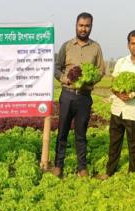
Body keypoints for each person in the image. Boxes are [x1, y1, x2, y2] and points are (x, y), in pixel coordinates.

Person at [97, 30, 135, 180]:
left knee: (134, 145)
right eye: (133, 43)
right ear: (128, 45)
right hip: (117, 109)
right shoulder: (121, 62)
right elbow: (114, 85)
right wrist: (120, 94)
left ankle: (134, 175)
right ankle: (109, 172)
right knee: (114, 143)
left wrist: (134, 94)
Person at [52, 12, 105, 178]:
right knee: (62, 132)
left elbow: (101, 70)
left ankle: (82, 168)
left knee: (81, 134)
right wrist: (64, 78)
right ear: (76, 25)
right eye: (81, 25)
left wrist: (91, 79)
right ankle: (58, 165)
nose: (84, 28)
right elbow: (57, 67)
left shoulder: (96, 48)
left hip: (84, 97)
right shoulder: (67, 46)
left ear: (91, 27)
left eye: (87, 25)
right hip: (67, 95)